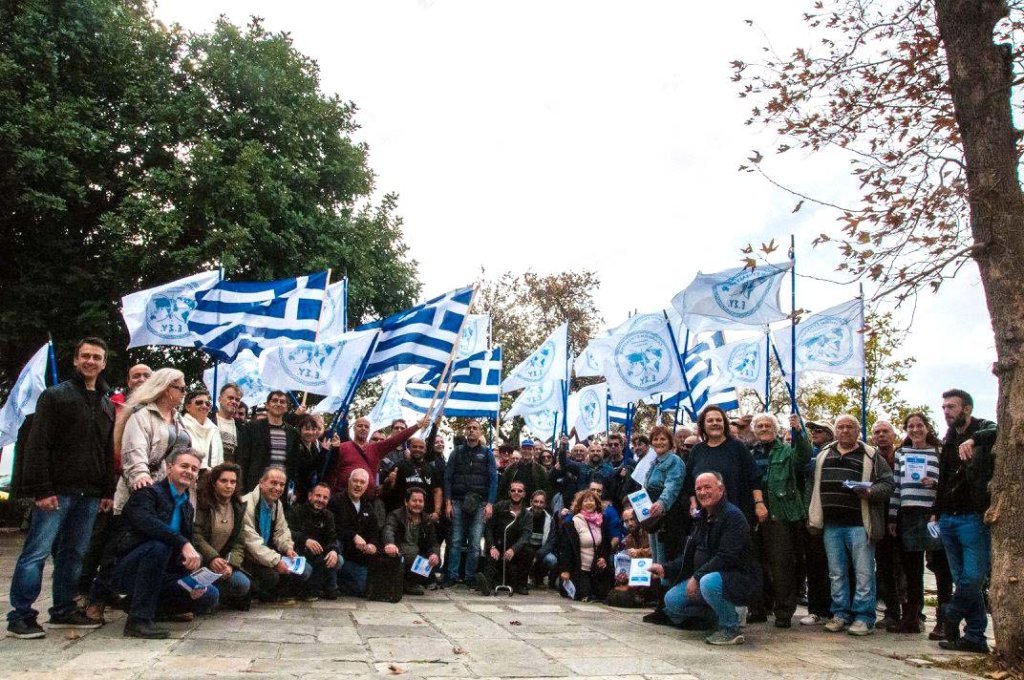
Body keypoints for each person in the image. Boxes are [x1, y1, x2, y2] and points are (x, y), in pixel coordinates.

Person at [7, 337, 115, 639]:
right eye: (85, 356)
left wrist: (107, 491)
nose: (90, 361)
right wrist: (42, 489)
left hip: (90, 494)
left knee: (74, 555)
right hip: (57, 492)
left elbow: (106, 451)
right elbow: (38, 444)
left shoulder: (107, 403)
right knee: (37, 553)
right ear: (75, 360)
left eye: (97, 357)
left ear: (104, 363)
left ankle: (64, 609)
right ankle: (21, 615)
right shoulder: (55, 396)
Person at [105, 449, 219, 639]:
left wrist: (193, 578)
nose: (189, 472)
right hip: (128, 568)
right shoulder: (148, 494)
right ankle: (138, 620)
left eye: (194, 469)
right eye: (184, 466)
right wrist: (183, 543)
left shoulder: (187, 507)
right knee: (160, 545)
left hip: (164, 572)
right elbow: (146, 523)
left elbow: (183, 552)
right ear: (169, 468)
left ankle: (149, 607)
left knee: (209, 594)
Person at [647, 471, 759, 646]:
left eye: (708, 487)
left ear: (721, 489)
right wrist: (665, 568)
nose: (702, 492)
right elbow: (689, 556)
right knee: (672, 601)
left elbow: (726, 557)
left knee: (708, 582)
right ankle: (728, 613)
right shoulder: (703, 517)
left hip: (736, 578)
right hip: (707, 577)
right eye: (698, 488)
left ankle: (730, 628)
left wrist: (697, 577)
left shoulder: (733, 517)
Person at [807, 414, 895, 636]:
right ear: (835, 431)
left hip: (859, 524)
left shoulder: (870, 454)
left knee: (864, 573)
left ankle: (864, 617)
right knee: (836, 573)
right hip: (831, 524)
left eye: (850, 427)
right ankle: (840, 614)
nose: (845, 431)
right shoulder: (824, 454)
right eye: (841, 427)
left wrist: (870, 492)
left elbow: (888, 483)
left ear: (858, 431)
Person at [684, 406, 766, 620]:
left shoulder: (737, 448)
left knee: (738, 559)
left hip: (736, 513)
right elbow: (689, 482)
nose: (714, 423)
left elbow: (754, 477)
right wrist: (693, 502)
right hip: (707, 519)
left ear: (725, 423)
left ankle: (749, 608)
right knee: (711, 557)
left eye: (718, 420)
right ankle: (714, 607)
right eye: (709, 420)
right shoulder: (697, 451)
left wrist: (759, 503)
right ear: (703, 425)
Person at [933, 389, 996, 654]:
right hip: (948, 518)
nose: (947, 411)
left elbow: (998, 429)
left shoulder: (982, 428)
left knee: (972, 578)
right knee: (963, 581)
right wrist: (936, 511)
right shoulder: (947, 438)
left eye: (952, 407)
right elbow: (944, 478)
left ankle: (950, 611)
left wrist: (973, 440)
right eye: (944, 407)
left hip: (973, 517)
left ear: (966, 409)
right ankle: (975, 638)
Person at [888, 413, 948, 635]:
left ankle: (943, 620)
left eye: (919, 425)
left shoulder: (939, 452)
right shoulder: (901, 453)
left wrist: (935, 484)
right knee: (911, 569)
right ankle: (911, 617)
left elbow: (948, 481)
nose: (915, 429)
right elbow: (896, 486)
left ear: (927, 427)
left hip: (932, 514)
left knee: (940, 567)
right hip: (908, 513)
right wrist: (893, 516)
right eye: (910, 426)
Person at [750, 413, 811, 628]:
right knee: (755, 564)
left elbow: (804, 456)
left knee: (781, 565)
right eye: (760, 425)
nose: (764, 428)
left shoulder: (786, 450)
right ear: (754, 430)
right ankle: (758, 608)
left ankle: (784, 612)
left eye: (768, 425)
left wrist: (799, 431)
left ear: (775, 429)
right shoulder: (749, 453)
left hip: (779, 514)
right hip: (753, 515)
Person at [114, 368, 192, 514]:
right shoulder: (141, 415)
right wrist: (141, 476)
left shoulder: (178, 419)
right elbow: (134, 448)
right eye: (182, 388)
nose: (184, 393)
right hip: (143, 490)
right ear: (166, 389)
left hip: (170, 493)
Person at [240, 467, 312, 602]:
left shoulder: (277, 504)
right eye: (273, 483)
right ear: (261, 482)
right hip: (249, 557)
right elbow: (251, 543)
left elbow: (282, 530)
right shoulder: (246, 504)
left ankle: (271, 593)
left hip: (267, 554)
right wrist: (276, 560)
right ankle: (256, 591)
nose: (278, 488)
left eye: (282, 485)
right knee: (272, 576)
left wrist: (288, 548)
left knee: (305, 570)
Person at [444, 419, 498, 586]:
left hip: (480, 503)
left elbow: (493, 479)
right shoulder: (456, 452)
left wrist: (490, 503)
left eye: (475, 428)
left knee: (475, 542)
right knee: (456, 541)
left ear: (480, 432)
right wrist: (448, 502)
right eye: (469, 428)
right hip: (458, 502)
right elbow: (448, 478)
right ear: (466, 432)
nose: (472, 430)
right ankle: (452, 576)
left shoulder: (487, 453)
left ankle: (469, 577)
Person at [324, 414, 428, 500]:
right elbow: (331, 472)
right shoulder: (342, 447)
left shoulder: (376, 449)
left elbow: (396, 440)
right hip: (342, 498)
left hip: (366, 500)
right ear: (354, 428)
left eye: (366, 427)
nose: (363, 428)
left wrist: (417, 426)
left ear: (369, 430)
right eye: (360, 426)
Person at [193, 462, 251, 610]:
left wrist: (230, 564)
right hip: (202, 559)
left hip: (222, 563)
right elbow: (195, 534)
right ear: (214, 482)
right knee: (210, 596)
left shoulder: (237, 507)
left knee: (243, 584)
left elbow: (239, 542)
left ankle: (216, 596)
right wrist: (212, 557)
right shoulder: (202, 503)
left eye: (233, 482)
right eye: (224, 481)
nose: (229, 486)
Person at [799, 420, 836, 626]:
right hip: (813, 512)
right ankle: (816, 609)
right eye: (812, 430)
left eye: (819, 430)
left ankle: (835, 608)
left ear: (830, 434)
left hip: (833, 514)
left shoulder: (833, 452)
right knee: (814, 564)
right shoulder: (810, 453)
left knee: (835, 567)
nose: (814, 433)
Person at [870, 419, 905, 631]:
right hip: (879, 515)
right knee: (884, 566)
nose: (881, 435)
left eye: (885, 431)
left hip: (902, 515)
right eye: (877, 432)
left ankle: (912, 611)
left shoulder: (901, 455)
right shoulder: (871, 457)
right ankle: (891, 611)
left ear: (893, 435)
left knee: (906, 566)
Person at [236, 391, 300, 496]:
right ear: (267, 405)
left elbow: (293, 465)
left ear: (287, 407)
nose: (278, 404)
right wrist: (241, 488)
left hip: (280, 489)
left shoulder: (293, 433)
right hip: (255, 487)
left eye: (282, 402)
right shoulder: (251, 428)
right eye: (274, 400)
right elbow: (243, 459)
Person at [287, 482, 342, 601]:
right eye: (318, 496)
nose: (321, 500)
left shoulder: (329, 516)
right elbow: (286, 532)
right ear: (310, 496)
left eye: (325, 497)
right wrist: (304, 540)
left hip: (318, 556)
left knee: (338, 559)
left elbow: (332, 538)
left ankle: (327, 588)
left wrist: (333, 550)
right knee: (307, 569)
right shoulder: (296, 511)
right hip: (297, 553)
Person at [329, 468, 380, 596]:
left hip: (360, 558)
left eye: (362, 482)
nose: (358, 485)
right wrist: (353, 536)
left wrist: (373, 545)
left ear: (366, 486)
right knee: (361, 586)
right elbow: (333, 529)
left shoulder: (368, 506)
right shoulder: (336, 501)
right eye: (355, 481)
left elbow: (374, 531)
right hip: (342, 554)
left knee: (368, 585)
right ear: (349, 482)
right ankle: (332, 584)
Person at [383, 487, 441, 595]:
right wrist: (390, 544)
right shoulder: (396, 515)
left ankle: (410, 582)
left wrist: (434, 554)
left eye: (420, 501)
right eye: (414, 500)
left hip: (417, 558)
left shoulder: (427, 520)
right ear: (406, 502)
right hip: (399, 556)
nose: (417, 504)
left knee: (435, 563)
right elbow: (389, 530)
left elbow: (433, 543)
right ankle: (407, 582)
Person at [558, 489, 612, 602]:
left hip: (596, 569)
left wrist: (604, 558)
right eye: (585, 501)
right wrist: (565, 570)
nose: (589, 503)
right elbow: (566, 549)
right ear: (580, 504)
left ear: (596, 503)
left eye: (592, 500)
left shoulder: (602, 521)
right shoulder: (573, 523)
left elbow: (606, 544)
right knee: (584, 594)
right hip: (579, 568)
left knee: (603, 595)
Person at [642, 425, 685, 566]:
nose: (659, 442)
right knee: (655, 553)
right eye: (655, 439)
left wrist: (662, 503)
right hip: (653, 514)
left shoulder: (674, 460)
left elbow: (673, 485)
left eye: (663, 439)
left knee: (665, 556)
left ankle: (665, 586)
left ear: (670, 442)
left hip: (668, 514)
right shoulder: (654, 462)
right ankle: (657, 585)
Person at [478, 480, 531, 595]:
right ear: (509, 493)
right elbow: (489, 528)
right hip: (498, 546)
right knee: (491, 558)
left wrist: (514, 549)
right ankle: (486, 585)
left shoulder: (527, 514)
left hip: (513, 551)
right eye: (513, 490)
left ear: (524, 494)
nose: (516, 493)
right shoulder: (499, 507)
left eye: (519, 491)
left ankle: (521, 585)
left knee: (528, 551)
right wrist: (492, 546)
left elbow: (526, 535)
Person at [383, 437, 442, 516]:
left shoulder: (432, 469)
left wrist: (437, 512)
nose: (418, 449)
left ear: (425, 450)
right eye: (415, 446)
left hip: (425, 515)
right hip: (401, 515)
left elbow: (437, 490)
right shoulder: (399, 466)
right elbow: (387, 488)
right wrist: (389, 480)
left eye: (421, 447)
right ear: (409, 448)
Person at [181, 388, 224, 472]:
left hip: (209, 480)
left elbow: (220, 461)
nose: (204, 406)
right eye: (199, 402)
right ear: (187, 406)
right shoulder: (180, 426)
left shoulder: (214, 430)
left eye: (207, 404)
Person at [291, 413, 328, 506]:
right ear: (300, 430)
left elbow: (321, 467)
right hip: (297, 491)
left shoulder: (315, 446)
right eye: (307, 429)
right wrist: (323, 452)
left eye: (313, 429)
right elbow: (306, 467)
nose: (310, 432)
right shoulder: (295, 445)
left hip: (311, 490)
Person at [215, 383, 244, 463]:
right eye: (230, 398)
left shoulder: (241, 428)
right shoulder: (208, 421)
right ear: (220, 399)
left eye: (237, 399)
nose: (234, 402)